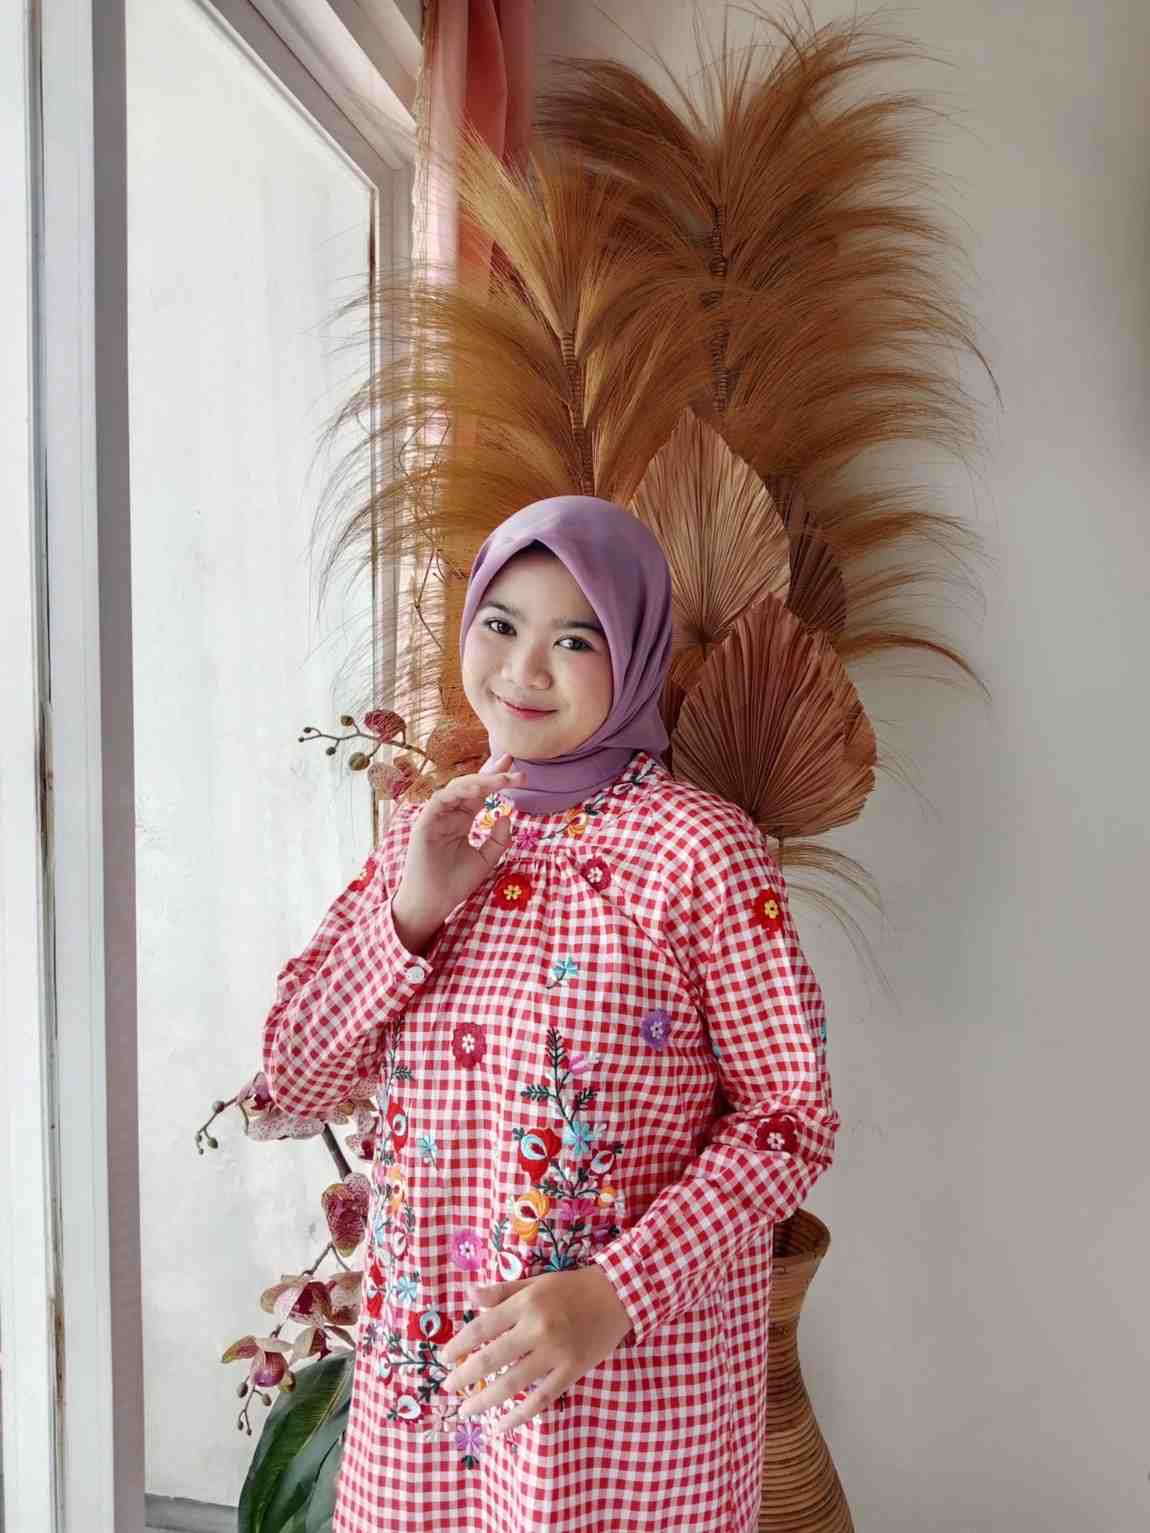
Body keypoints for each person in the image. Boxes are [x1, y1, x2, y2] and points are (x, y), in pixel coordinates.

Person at [261, 495, 841, 1533]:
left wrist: (616, 1292)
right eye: (501, 624)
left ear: (635, 655)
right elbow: (295, 1081)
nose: (525, 669)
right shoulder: (426, 834)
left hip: (628, 1414)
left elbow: (788, 1121)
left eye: (575, 639)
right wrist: (414, 909)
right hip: (426, 1425)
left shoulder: (699, 853)